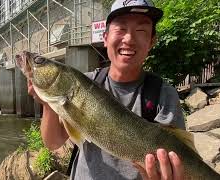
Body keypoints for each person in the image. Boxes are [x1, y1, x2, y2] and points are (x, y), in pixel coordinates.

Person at [28, 0, 186, 179]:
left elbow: (179, 155)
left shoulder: (163, 95)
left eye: (141, 31)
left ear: (151, 42)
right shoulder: (84, 84)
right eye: (120, 29)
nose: (129, 39)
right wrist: (48, 104)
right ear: (105, 37)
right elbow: (53, 142)